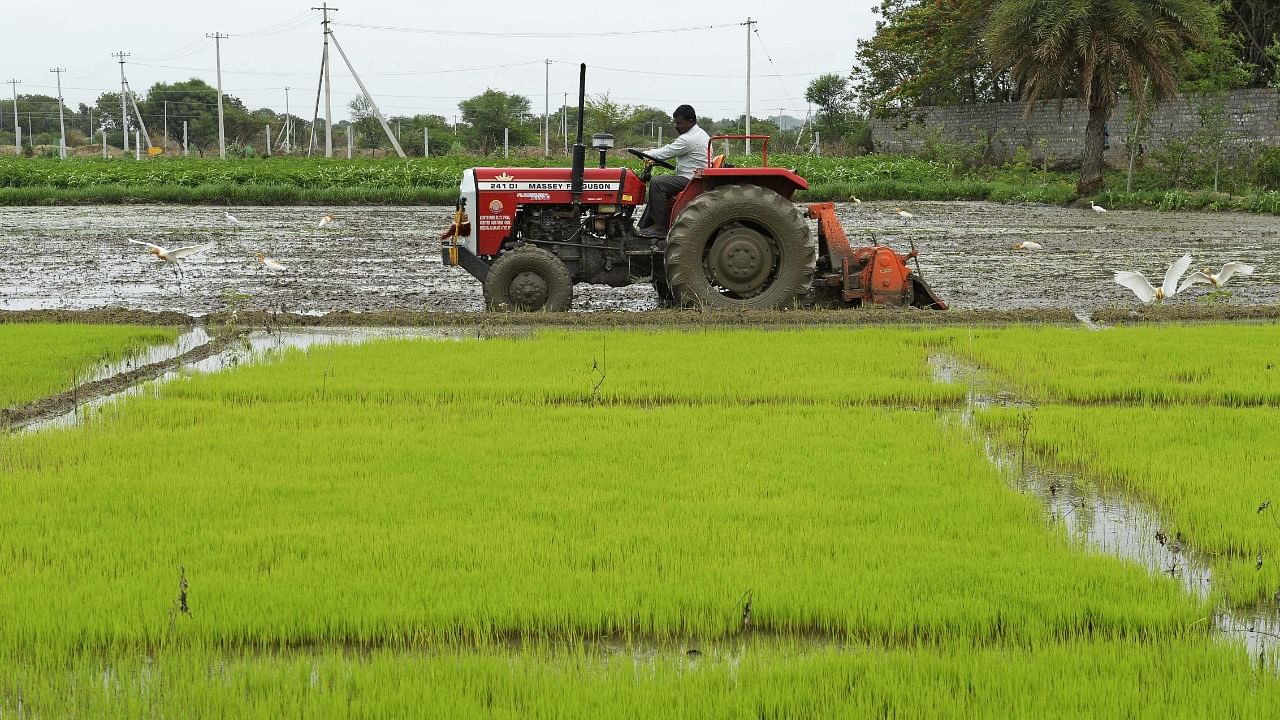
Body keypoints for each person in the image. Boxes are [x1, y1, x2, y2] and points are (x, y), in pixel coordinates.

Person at [635, 104, 710, 238]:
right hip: (693, 175)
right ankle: (645, 226)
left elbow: (666, 152)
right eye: (675, 122)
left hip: (691, 178)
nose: (676, 126)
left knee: (658, 183)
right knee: (661, 183)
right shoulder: (699, 133)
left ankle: (659, 227)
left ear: (690, 122)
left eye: (679, 123)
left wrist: (644, 153)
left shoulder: (689, 139)